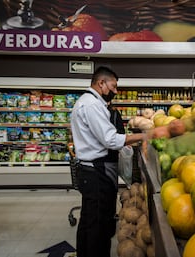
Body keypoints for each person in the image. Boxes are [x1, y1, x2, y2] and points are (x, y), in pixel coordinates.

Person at [70, 66, 148, 257]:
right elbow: (111, 140)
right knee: (98, 223)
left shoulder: (89, 102)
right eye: (113, 86)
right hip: (96, 172)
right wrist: (145, 135)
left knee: (90, 220)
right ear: (101, 83)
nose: (115, 91)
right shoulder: (92, 105)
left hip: (93, 170)